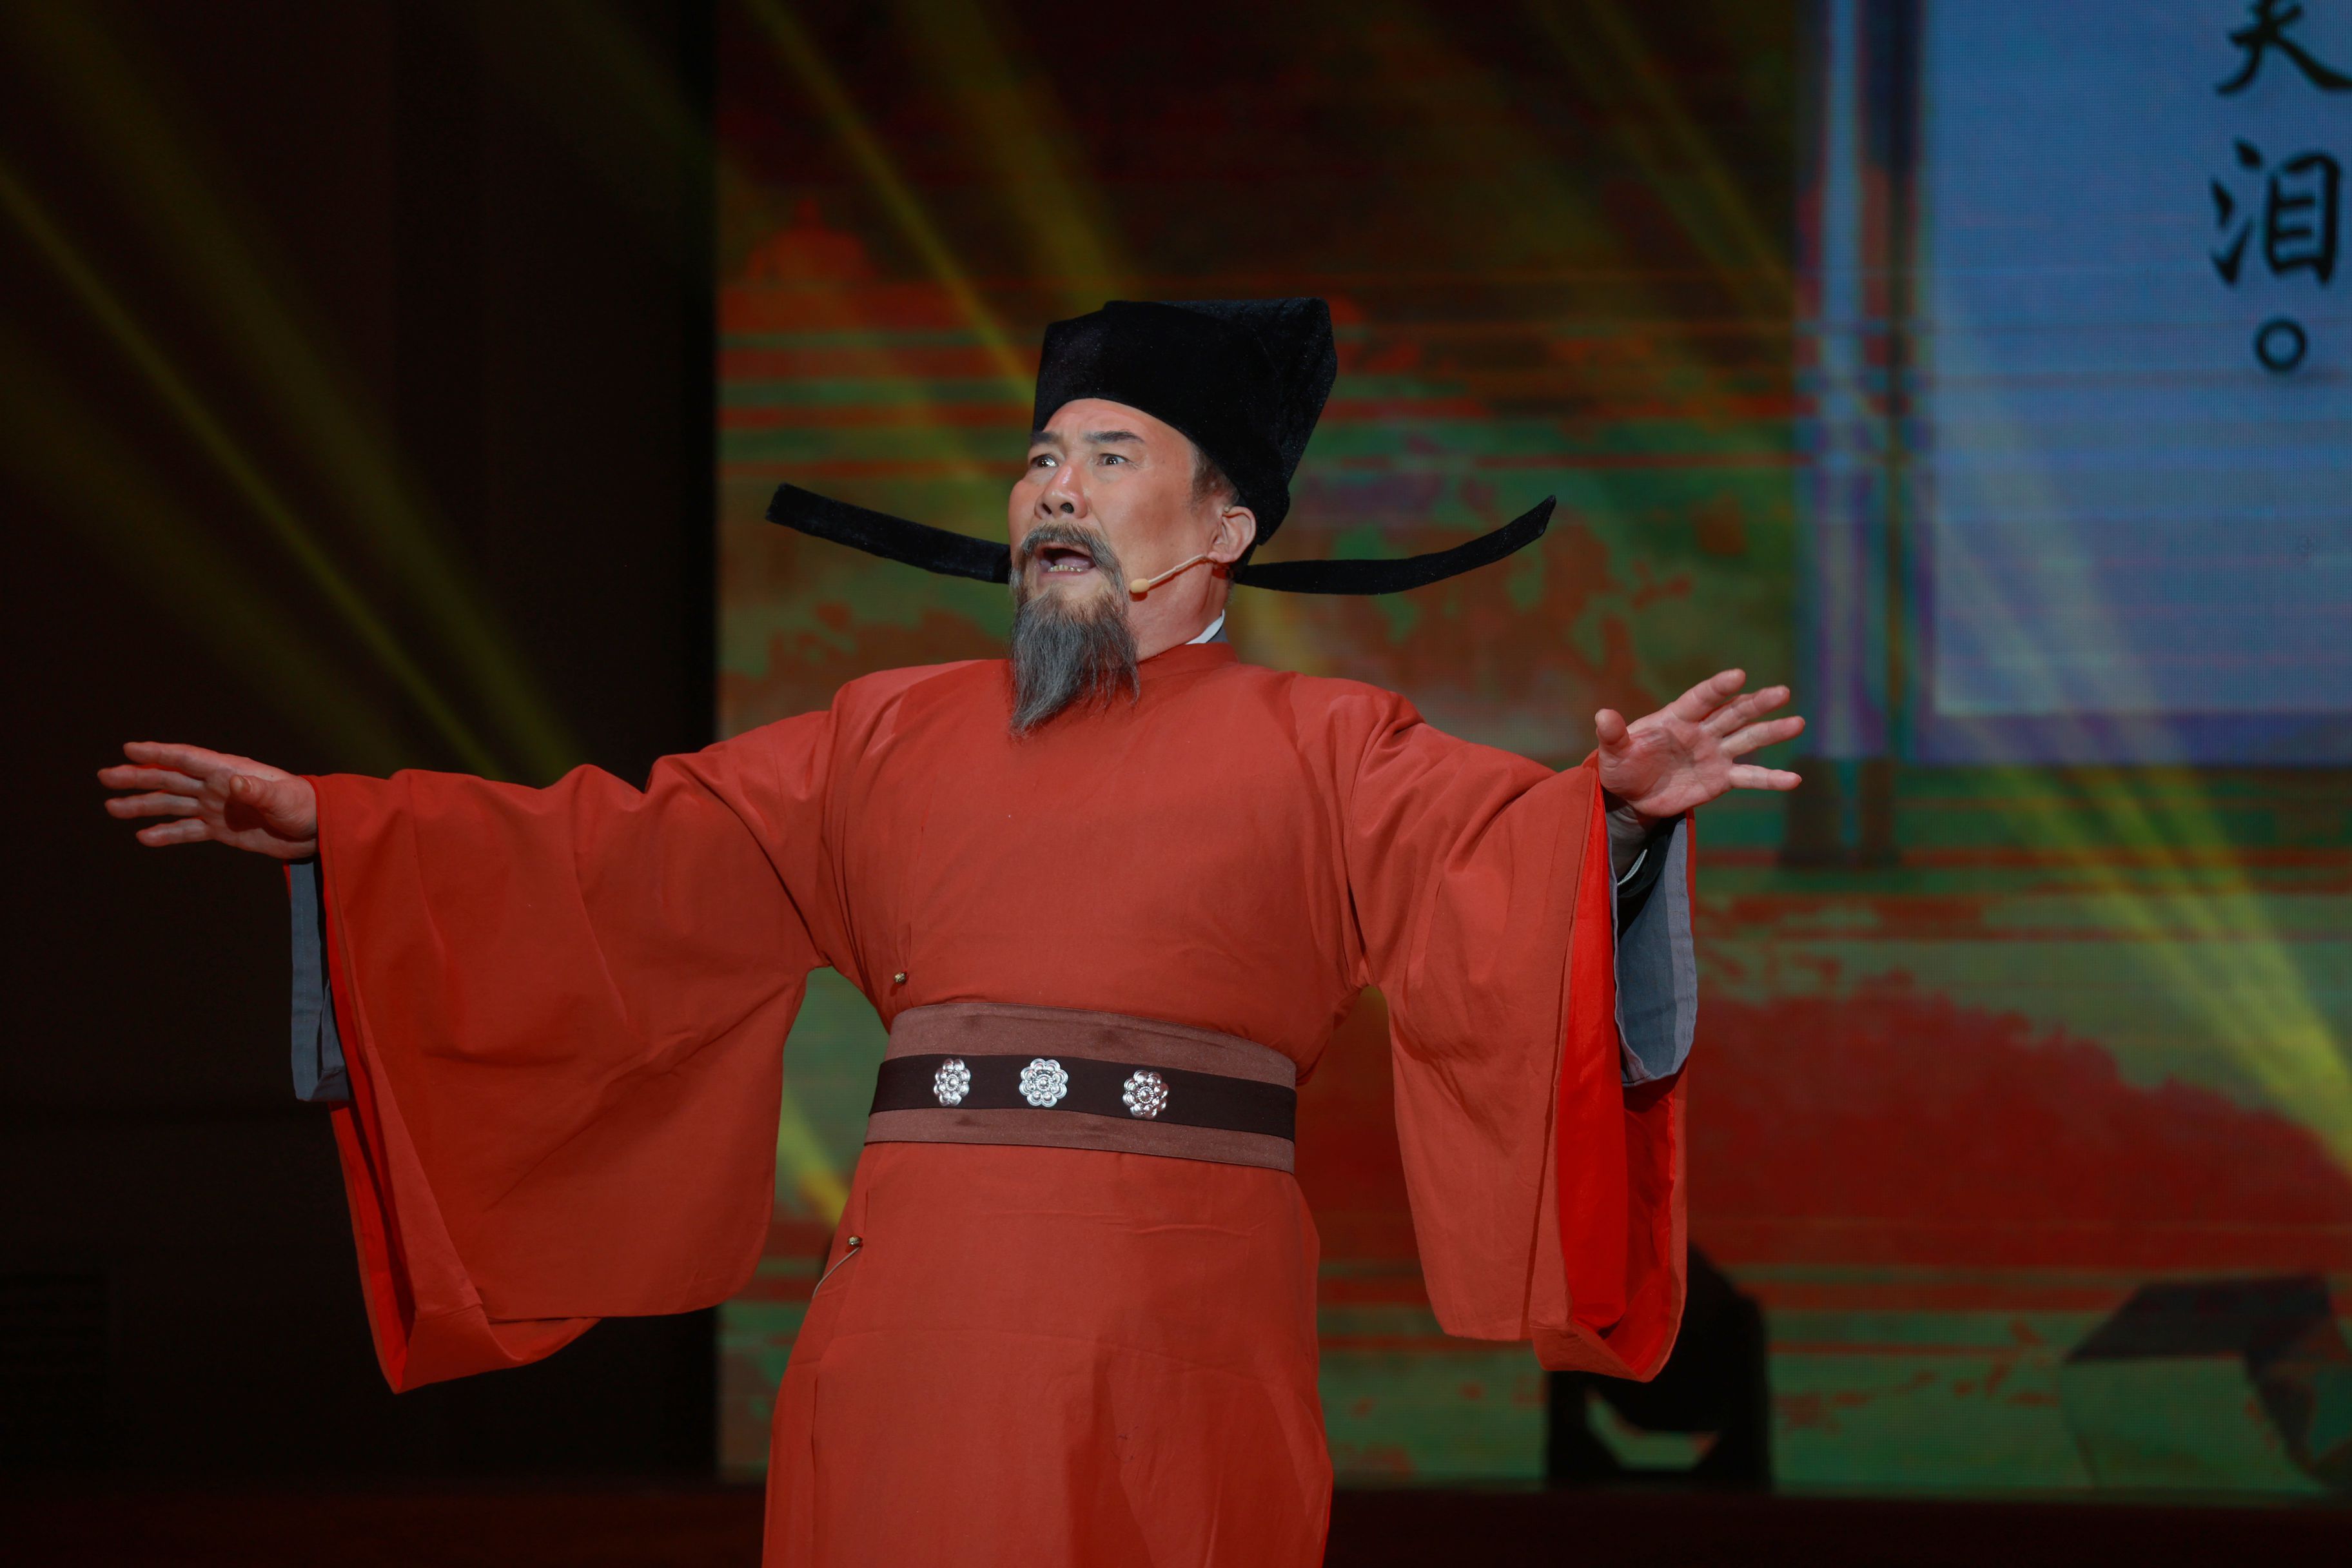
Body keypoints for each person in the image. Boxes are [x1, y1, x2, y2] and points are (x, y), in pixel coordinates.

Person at [99, 299, 1801, 1567]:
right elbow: (626, 858)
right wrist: (350, 829)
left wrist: (1616, 822)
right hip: (912, 1316)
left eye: (1112, 458)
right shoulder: (886, 728)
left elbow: (1497, 867)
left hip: (1179, 1320)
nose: (1057, 488)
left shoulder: (1337, 743)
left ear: (1227, 528)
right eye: (1041, 458)